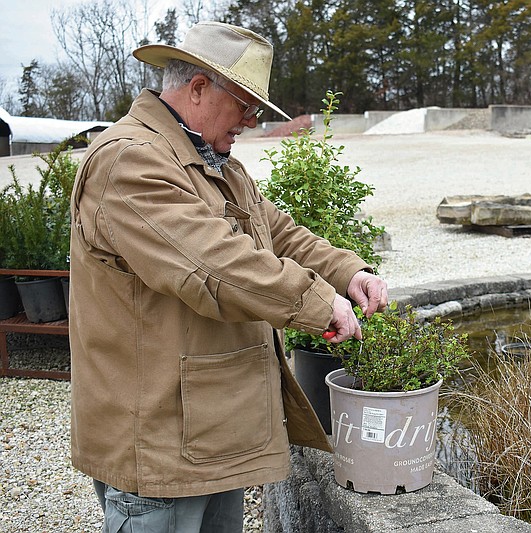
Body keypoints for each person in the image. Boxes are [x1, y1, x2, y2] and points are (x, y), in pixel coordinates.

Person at [68, 21, 388, 532]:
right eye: (245, 104)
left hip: (210, 428)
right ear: (198, 88)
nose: (251, 119)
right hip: (161, 443)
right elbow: (215, 262)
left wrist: (348, 272)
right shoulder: (129, 163)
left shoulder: (212, 160)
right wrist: (317, 301)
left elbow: (276, 232)